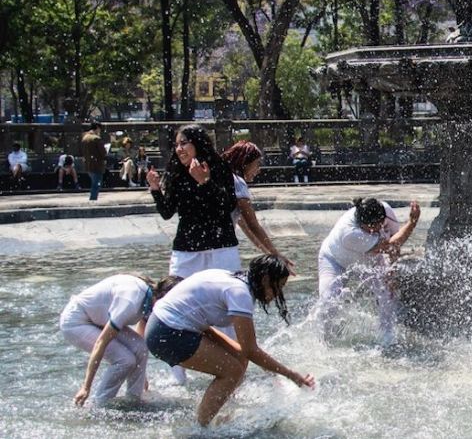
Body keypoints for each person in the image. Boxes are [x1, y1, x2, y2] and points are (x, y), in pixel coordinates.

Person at [145, 255, 315, 427]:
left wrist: (264, 368)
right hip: (166, 333)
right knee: (232, 371)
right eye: (278, 287)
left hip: (164, 326)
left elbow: (243, 349)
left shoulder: (234, 280)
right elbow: (251, 349)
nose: (278, 294)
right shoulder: (239, 293)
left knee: (239, 359)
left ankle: (220, 414)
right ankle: (200, 429)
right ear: (265, 279)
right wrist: (292, 375)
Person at [60, 274, 180, 406]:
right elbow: (101, 343)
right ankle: (99, 405)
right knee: (125, 360)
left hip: (98, 319)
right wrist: (86, 387)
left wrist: (140, 375)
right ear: (163, 295)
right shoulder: (131, 302)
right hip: (76, 321)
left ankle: (134, 400)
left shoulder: (148, 296)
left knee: (141, 347)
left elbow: (139, 345)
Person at [318, 197, 421, 347]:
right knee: (329, 301)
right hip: (335, 260)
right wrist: (412, 223)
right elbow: (391, 243)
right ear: (360, 224)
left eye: (379, 225)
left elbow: (394, 247)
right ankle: (326, 343)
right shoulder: (349, 233)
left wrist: (392, 272)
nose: (376, 230)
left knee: (387, 292)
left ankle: (387, 337)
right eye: (370, 227)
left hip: (370, 260)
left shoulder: (386, 211)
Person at [147, 124, 240, 279]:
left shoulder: (219, 167)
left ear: (197, 143)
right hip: (186, 249)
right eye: (176, 145)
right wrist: (155, 189)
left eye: (183, 143)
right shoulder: (176, 173)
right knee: (175, 295)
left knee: (226, 296)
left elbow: (229, 205)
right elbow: (166, 212)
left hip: (221, 248)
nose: (179, 149)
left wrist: (206, 182)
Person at [221, 141, 294, 270]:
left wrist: (268, 253)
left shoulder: (224, 179)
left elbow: (243, 224)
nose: (258, 170)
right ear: (245, 163)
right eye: (257, 164)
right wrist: (276, 255)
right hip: (222, 249)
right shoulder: (238, 183)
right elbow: (252, 225)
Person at [81, 121, 107, 201]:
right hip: (97, 164)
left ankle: (93, 198)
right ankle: (93, 199)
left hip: (88, 164)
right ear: (97, 128)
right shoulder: (96, 138)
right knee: (96, 183)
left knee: (94, 182)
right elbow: (103, 152)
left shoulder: (85, 138)